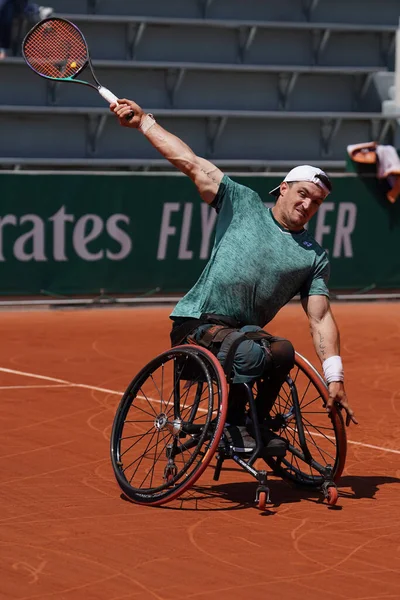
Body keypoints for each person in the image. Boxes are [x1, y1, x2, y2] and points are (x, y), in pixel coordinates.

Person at [110, 98, 358, 456]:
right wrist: (144, 123)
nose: (307, 205)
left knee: (282, 351)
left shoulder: (313, 255)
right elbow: (191, 163)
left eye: (316, 202)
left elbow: (320, 318)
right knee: (252, 354)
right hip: (197, 323)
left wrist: (335, 377)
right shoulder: (241, 203)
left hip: (243, 336)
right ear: (284, 188)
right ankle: (235, 426)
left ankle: (251, 425)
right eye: (303, 194)